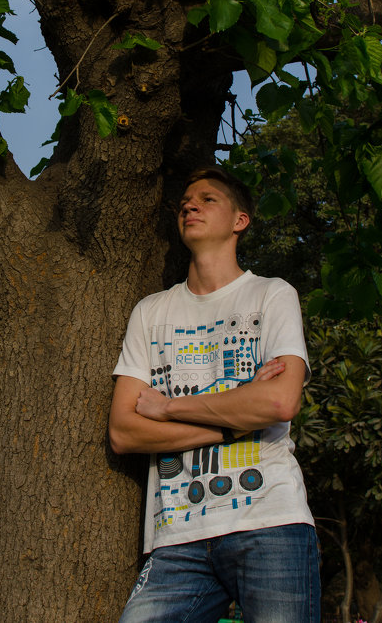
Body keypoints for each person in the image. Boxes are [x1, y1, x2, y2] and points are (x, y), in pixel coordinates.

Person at [109, 166, 320, 623]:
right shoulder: (151, 311)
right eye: (186, 200)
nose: (190, 205)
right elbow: (125, 431)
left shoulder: (272, 295)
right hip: (175, 536)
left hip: (271, 521)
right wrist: (232, 421)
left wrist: (166, 408)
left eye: (208, 199)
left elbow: (279, 403)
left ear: (240, 220)